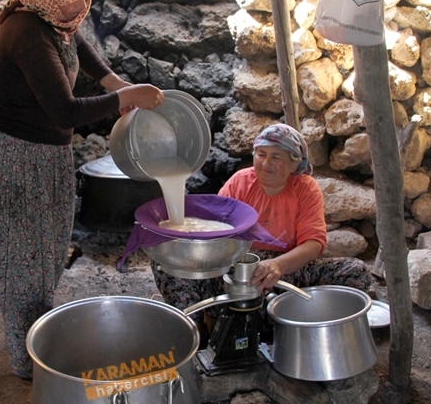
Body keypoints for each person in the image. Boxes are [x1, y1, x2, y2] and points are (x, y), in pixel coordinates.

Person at [0, 0, 164, 381]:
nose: (85, 2)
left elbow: (82, 50)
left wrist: (114, 80)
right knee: (18, 253)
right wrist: (122, 98)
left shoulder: (56, 18)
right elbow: (65, 111)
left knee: (46, 247)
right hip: (10, 155)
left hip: (44, 153)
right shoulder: (25, 33)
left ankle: (39, 331)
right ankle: (24, 358)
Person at [152, 123, 371, 339]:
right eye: (261, 154)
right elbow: (214, 230)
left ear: (294, 164)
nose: (266, 163)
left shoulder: (306, 189)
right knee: (167, 261)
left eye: (276, 157)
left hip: (285, 272)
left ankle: (297, 327)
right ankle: (195, 332)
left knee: (355, 270)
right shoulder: (240, 182)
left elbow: (313, 244)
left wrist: (277, 265)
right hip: (234, 269)